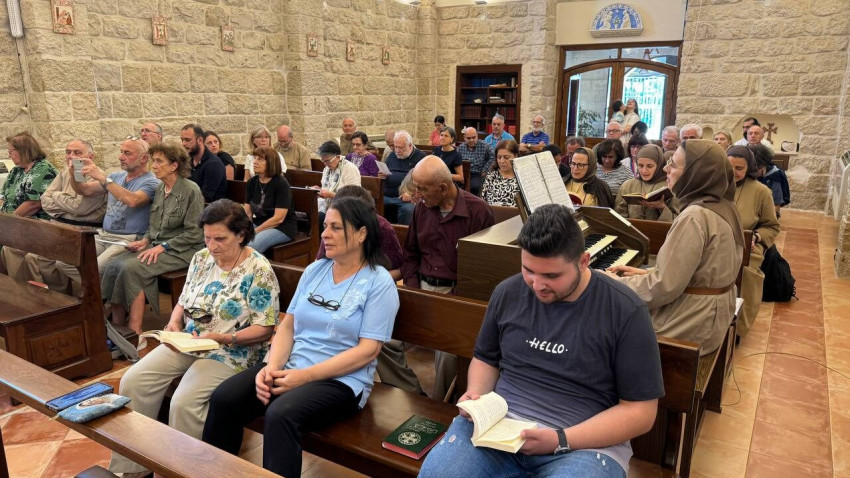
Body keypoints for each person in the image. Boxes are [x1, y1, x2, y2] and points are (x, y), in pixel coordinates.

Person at [419, 204, 663, 478]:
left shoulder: (624, 310)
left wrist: (561, 439)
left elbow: (641, 411)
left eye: (551, 275)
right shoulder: (507, 292)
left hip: (583, 443)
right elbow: (486, 359)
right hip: (500, 428)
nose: (537, 285)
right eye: (528, 270)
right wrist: (477, 395)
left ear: (584, 261)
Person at [202, 197, 399, 478]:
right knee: (224, 399)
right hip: (291, 368)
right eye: (325, 226)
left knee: (281, 415)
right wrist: (271, 368)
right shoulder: (315, 270)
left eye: (336, 227)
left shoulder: (378, 282)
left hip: (341, 381)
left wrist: (304, 377)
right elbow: (288, 327)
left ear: (361, 233)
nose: (325, 234)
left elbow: (368, 351)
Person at [108, 199, 279, 478]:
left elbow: (265, 328)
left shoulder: (258, 269)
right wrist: (174, 323)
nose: (212, 246)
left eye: (220, 239)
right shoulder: (201, 258)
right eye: (207, 238)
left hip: (233, 350)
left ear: (241, 235)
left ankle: (181, 472)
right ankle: (133, 468)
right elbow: (184, 300)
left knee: (184, 402)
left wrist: (223, 337)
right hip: (190, 341)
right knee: (134, 380)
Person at [609, 140, 745, 356]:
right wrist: (646, 273)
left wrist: (614, 284)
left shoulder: (694, 216)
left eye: (672, 164)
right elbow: (702, 271)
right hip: (712, 313)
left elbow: (664, 287)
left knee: (605, 325)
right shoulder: (723, 204)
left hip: (691, 321)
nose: (665, 169)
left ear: (695, 173)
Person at [401, 156, 494, 400]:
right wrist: (414, 290)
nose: (417, 195)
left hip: (456, 293)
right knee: (380, 339)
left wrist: (449, 301)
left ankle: (439, 406)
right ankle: (411, 393)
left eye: (422, 189)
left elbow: (479, 273)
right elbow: (410, 254)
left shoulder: (478, 211)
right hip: (421, 287)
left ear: (443, 188)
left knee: (449, 351)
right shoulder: (422, 208)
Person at [101, 142, 205, 335]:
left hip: (184, 250)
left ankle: (135, 330)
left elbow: (195, 233)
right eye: (153, 161)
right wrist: (145, 241)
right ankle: (116, 324)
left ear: (174, 166)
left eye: (159, 161)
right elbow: (154, 224)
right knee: (114, 264)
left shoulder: (191, 190)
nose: (154, 166)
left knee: (131, 268)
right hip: (160, 245)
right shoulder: (160, 188)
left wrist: (163, 246)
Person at [4, 140, 107, 293]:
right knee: (11, 248)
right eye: (68, 152)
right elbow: (45, 201)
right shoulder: (65, 172)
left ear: (90, 156)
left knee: (34, 258)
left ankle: (57, 297)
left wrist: (57, 196)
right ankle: (22, 293)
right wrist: (66, 204)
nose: (71, 156)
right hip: (56, 226)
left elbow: (79, 208)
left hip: (81, 231)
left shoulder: (98, 177)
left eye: (77, 153)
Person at [72, 137, 160, 275]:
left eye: (127, 153)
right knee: (67, 261)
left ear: (144, 158)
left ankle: (98, 288)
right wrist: (74, 173)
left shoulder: (152, 182)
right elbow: (84, 190)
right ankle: (97, 288)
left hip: (128, 239)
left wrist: (103, 178)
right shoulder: (116, 176)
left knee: (96, 268)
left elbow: (133, 200)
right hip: (104, 236)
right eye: (121, 152)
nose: (120, 157)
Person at [727, 146, 780, 339]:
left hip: (746, 248)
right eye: (729, 167)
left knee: (747, 275)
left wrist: (756, 237)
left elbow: (771, 227)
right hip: (714, 244)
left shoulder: (761, 191)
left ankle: (738, 328)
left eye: (739, 168)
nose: (733, 172)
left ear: (749, 168)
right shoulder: (713, 185)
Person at [244, 146, 297, 254]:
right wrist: (246, 228)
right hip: (259, 223)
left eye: (260, 159)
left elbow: (279, 218)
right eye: (255, 158)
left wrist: (255, 231)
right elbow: (247, 212)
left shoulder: (281, 183)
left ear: (271, 163)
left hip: (281, 227)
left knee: (251, 246)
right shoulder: (252, 182)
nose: (255, 162)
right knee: (233, 238)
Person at [1, 132, 57, 219]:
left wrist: (8, 220)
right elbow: (2, 196)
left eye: (10, 152)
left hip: (31, 222)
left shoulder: (43, 169)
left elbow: (33, 204)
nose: (9, 155)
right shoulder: (16, 170)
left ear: (23, 151)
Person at [615, 144, 679, 221]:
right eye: (640, 165)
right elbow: (619, 215)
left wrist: (662, 208)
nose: (644, 171)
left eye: (649, 166)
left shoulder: (670, 186)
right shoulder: (628, 185)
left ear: (659, 165)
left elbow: (677, 220)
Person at [382, 130, 426, 225]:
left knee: (408, 210)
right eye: (396, 147)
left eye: (401, 148)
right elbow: (385, 172)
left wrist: (412, 194)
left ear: (410, 146)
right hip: (387, 195)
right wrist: (381, 175)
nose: (397, 150)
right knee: (370, 205)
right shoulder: (392, 155)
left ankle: (404, 234)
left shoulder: (421, 157)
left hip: (407, 198)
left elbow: (424, 182)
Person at [317, 141, 361, 226]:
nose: (326, 164)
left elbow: (353, 197)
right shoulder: (327, 169)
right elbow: (326, 188)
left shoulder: (350, 169)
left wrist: (331, 195)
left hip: (346, 208)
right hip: (329, 206)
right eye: (323, 161)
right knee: (312, 214)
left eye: (328, 161)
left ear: (337, 157)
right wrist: (319, 190)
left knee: (320, 218)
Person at [182, 124, 227, 203]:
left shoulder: (214, 164)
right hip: (192, 205)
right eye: (182, 140)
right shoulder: (189, 161)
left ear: (200, 140)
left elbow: (206, 197)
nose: (183, 144)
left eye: (187, 140)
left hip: (211, 208)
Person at [750, 143, 789, 218]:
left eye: (757, 169)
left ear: (764, 165)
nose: (754, 173)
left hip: (767, 212)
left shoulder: (774, 176)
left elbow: (776, 204)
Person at [481, 140, 520, 207]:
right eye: (499, 157)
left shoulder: (521, 177)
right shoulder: (492, 175)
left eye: (506, 157)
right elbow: (483, 200)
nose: (502, 161)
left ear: (515, 156)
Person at [457, 127, 493, 196]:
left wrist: (485, 170)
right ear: (464, 138)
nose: (471, 140)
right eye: (468, 138)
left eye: (473, 137)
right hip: (463, 173)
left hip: (478, 173)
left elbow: (493, 157)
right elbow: (456, 161)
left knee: (475, 187)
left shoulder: (485, 145)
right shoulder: (460, 147)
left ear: (477, 136)